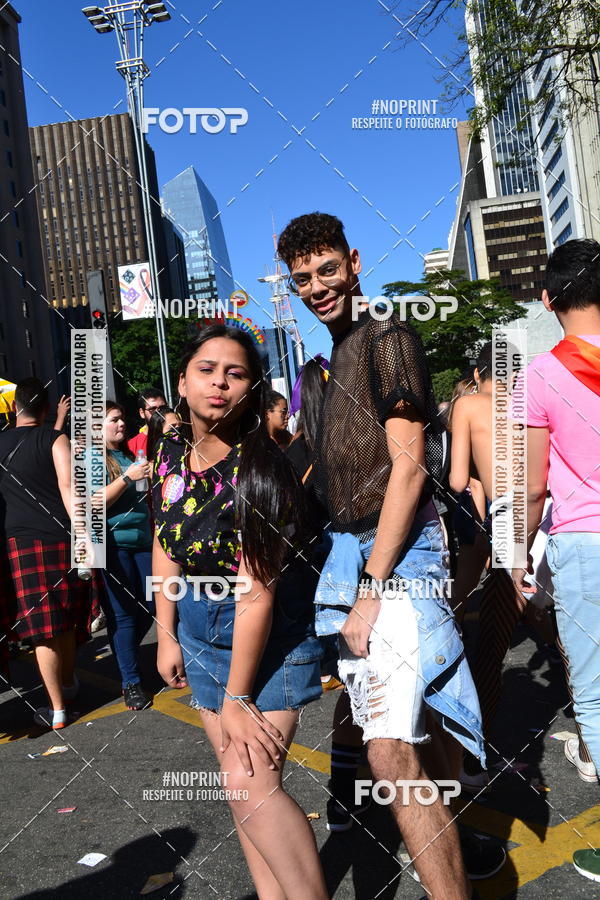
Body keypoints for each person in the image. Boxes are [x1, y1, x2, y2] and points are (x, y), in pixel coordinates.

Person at [278, 212, 495, 896]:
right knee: (412, 719)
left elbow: (409, 466)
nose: (318, 286)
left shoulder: (387, 337)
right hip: (351, 554)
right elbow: (321, 479)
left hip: (395, 558)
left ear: (354, 262)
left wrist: (371, 588)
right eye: (303, 278)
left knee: (388, 751)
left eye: (328, 269)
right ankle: (462, 835)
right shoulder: (321, 369)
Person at [153, 326, 328, 899]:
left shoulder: (261, 470)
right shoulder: (169, 453)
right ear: (182, 382)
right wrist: (166, 633)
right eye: (206, 370)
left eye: (236, 373)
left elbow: (257, 594)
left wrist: (237, 697)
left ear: (252, 389)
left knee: (249, 783)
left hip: (268, 634)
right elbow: (165, 541)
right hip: (199, 628)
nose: (219, 383)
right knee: (241, 790)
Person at [511, 238, 600, 884]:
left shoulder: (540, 375)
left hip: (583, 545)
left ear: (548, 300)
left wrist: (515, 555)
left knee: (595, 695)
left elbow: (533, 486)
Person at [0, 378, 93, 729]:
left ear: (15, 407)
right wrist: (83, 535)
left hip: (19, 544)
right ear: (46, 408)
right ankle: (67, 685)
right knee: (64, 618)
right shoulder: (55, 439)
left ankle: (57, 709)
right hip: (59, 537)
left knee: (43, 628)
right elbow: (69, 488)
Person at [93, 401, 154, 710]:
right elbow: (94, 502)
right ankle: (131, 682)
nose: (121, 424)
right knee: (123, 615)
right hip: (113, 545)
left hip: (142, 542)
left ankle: (124, 652)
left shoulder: (129, 455)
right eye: (114, 420)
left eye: (121, 419)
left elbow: (140, 496)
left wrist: (146, 478)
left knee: (153, 604)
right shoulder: (92, 458)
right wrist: (128, 477)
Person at [128, 387, 166, 456]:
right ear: (142, 413)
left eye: (162, 408)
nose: (159, 413)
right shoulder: (132, 446)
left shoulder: (178, 437)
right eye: (152, 409)